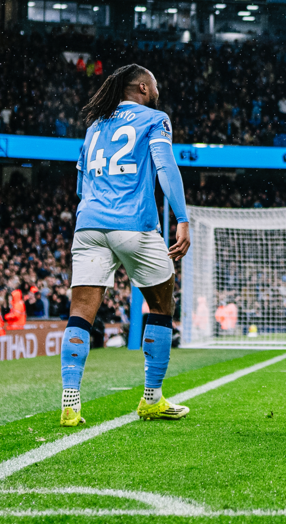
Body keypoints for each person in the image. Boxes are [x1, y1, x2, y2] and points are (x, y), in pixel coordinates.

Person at [59, 63, 192, 427]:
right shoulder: (154, 118)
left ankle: (70, 403)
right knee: (162, 303)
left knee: (80, 313)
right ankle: (151, 397)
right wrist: (182, 218)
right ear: (144, 89)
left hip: (88, 224)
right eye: (156, 86)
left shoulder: (93, 127)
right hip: (133, 224)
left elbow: (81, 185)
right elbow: (165, 167)